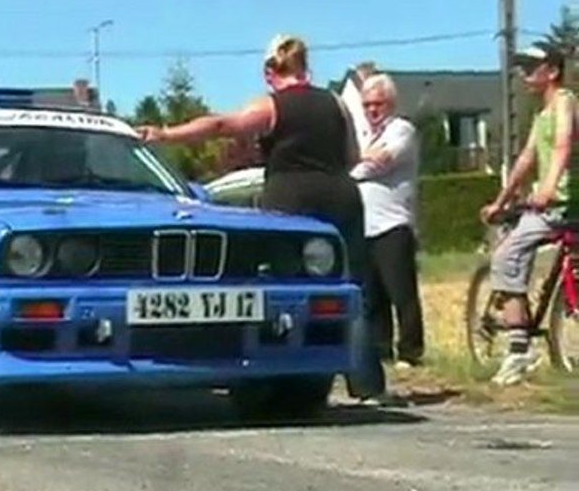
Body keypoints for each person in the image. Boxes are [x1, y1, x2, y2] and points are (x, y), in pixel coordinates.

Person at [137, 33, 398, 404]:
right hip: (342, 195)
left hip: (291, 196)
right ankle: (369, 383)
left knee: (287, 286)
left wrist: (165, 134)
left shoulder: (273, 105)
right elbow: (353, 154)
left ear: (271, 70)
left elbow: (221, 126)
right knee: (352, 286)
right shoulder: (337, 103)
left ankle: (290, 368)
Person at [480, 41, 578, 386]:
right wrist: (502, 200)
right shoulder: (541, 115)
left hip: (561, 203)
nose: (523, 73)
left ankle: (519, 351)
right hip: (555, 203)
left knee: (505, 255)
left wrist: (549, 186)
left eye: (531, 66)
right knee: (513, 252)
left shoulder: (565, 102)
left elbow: (565, 144)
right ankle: (519, 344)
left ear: (551, 71)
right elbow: (525, 160)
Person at [350, 72, 425, 370]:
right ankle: (381, 350)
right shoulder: (364, 135)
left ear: (390, 103)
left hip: (393, 225)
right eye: (367, 104)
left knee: (401, 292)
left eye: (377, 104)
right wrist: (360, 158)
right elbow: (359, 159)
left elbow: (377, 163)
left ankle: (411, 350)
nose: (372, 110)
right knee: (372, 294)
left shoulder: (401, 130)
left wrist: (353, 166)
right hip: (365, 225)